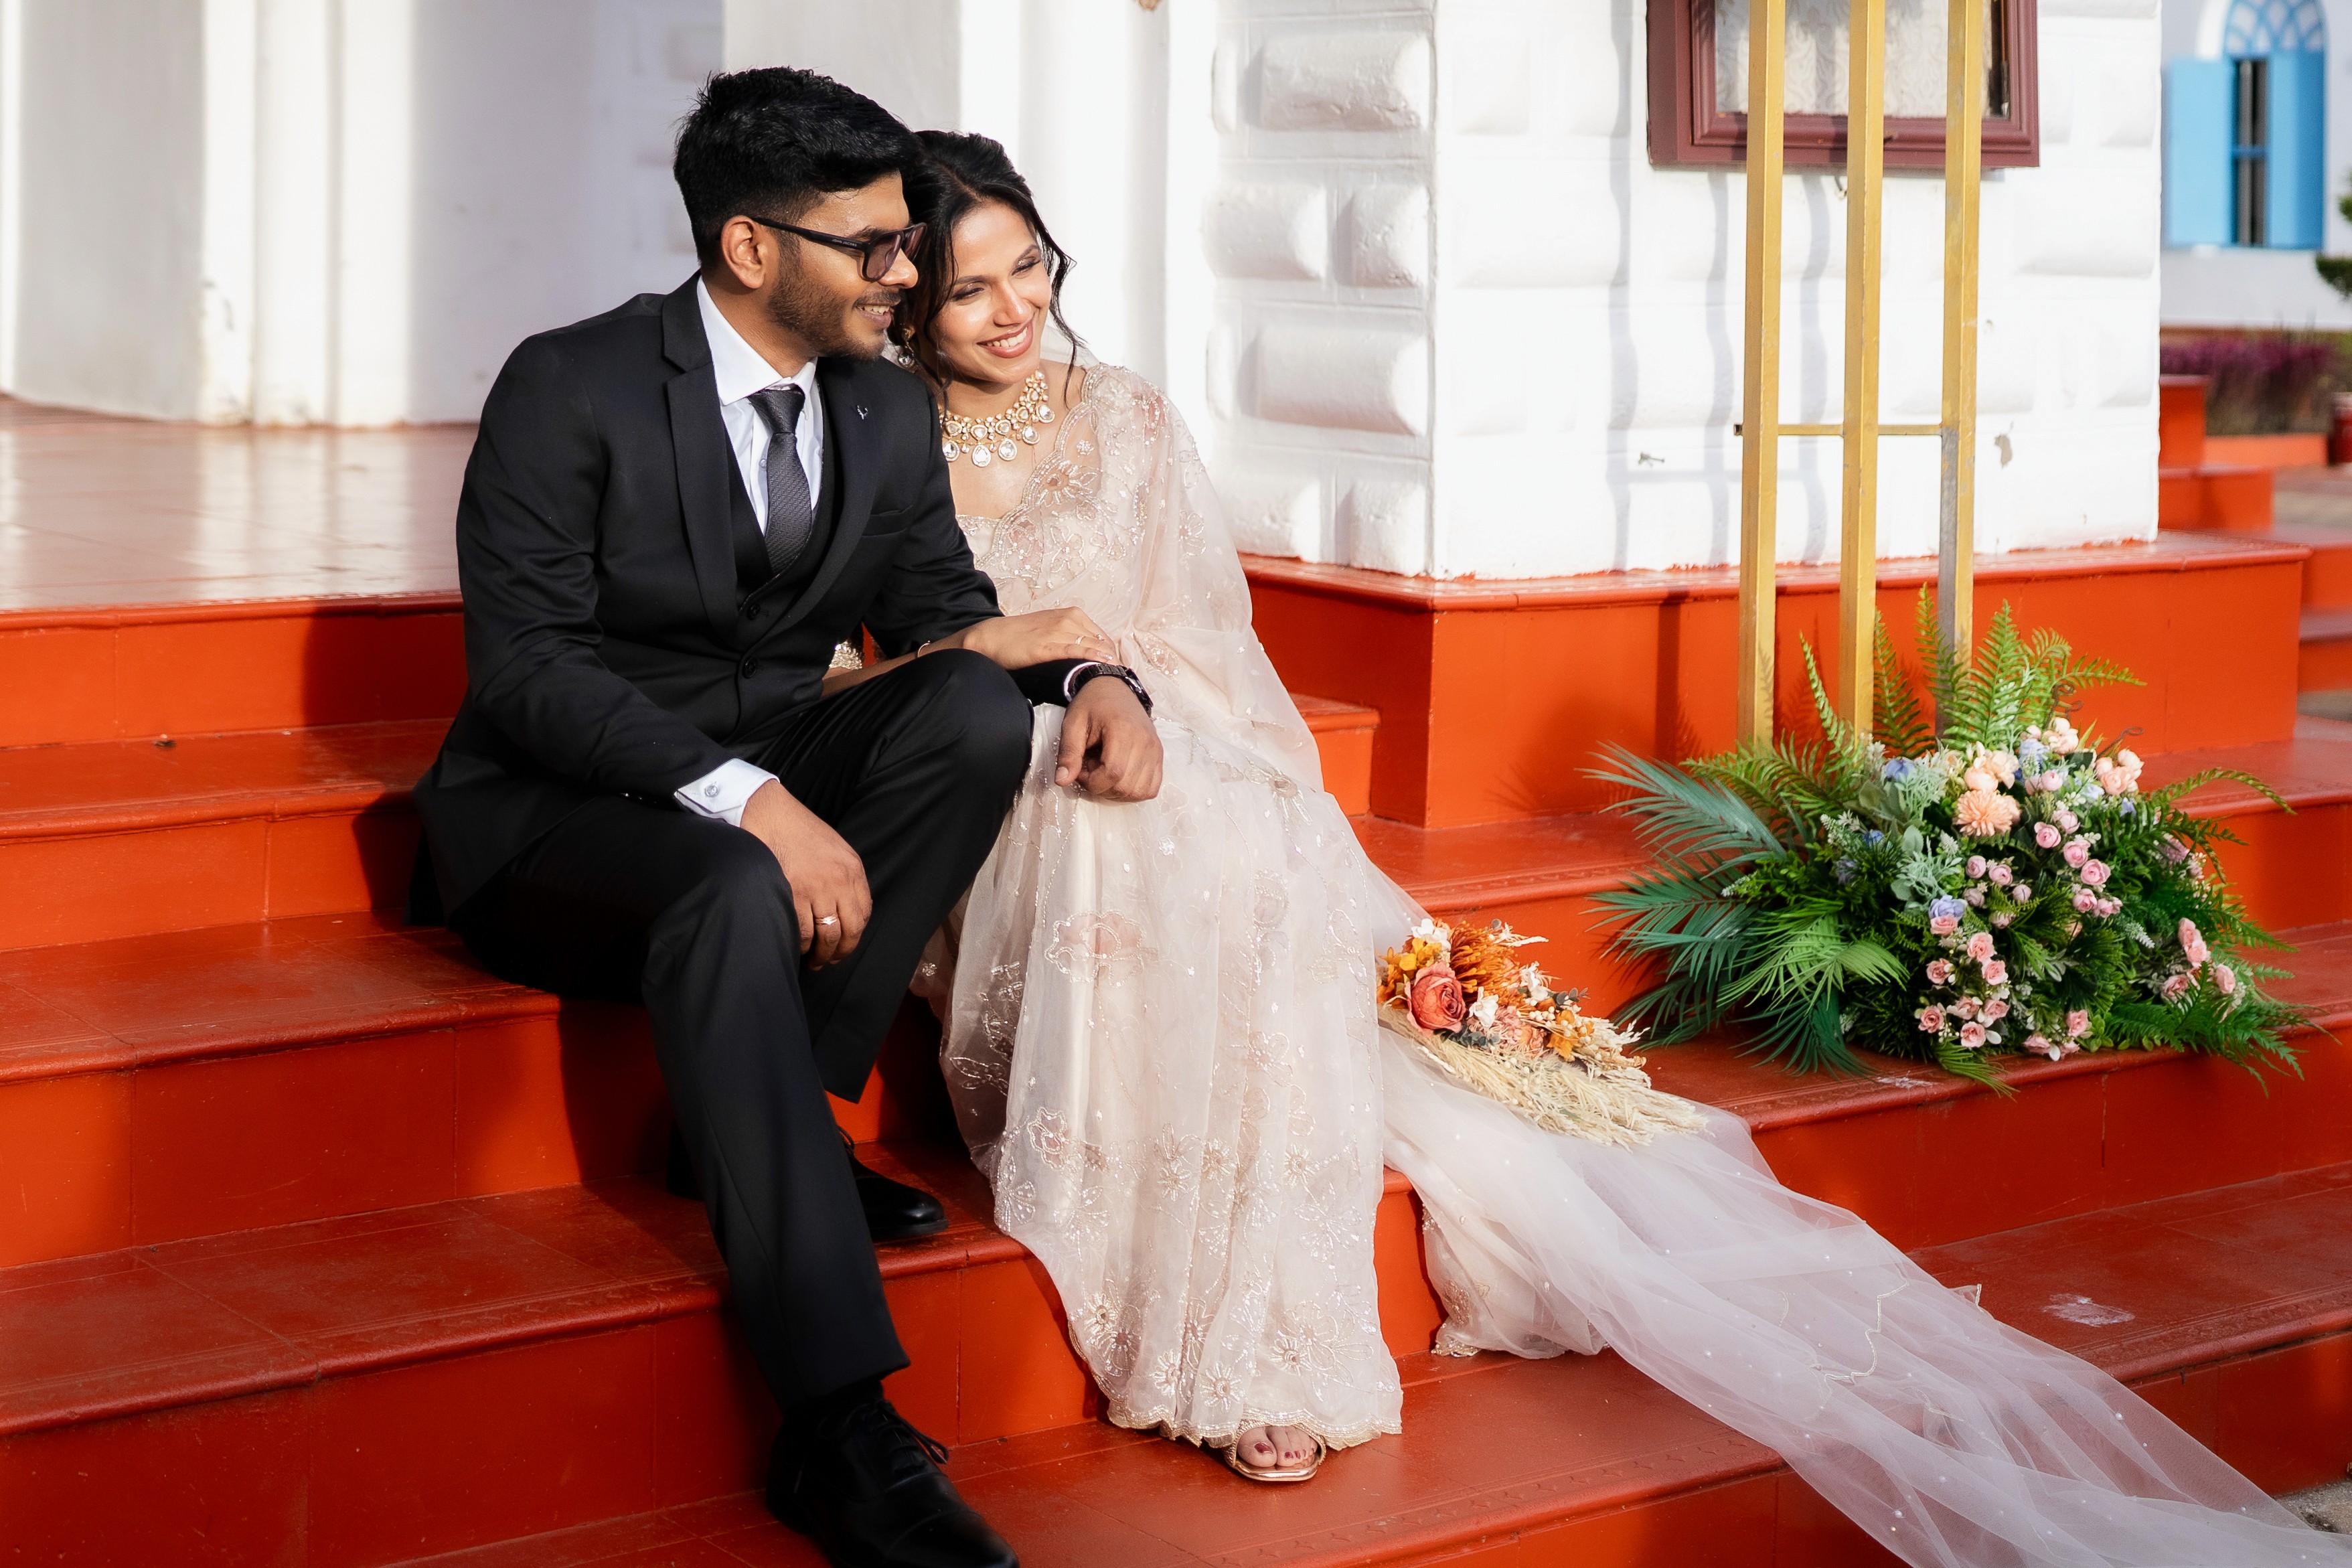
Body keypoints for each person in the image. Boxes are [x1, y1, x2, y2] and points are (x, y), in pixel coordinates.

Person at [880, 129, 2352, 1564]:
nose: (1019, 309)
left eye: (1033, 267)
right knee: (1107, 825)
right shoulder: (873, 432)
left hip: (1166, 736)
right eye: (972, 288)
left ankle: (1271, 1337)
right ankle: (1169, 1265)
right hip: (988, 767)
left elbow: (1206, 634)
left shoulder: (1124, 410)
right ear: (906, 300)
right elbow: (845, 647)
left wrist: (1177, 736)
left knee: (1215, 835)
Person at [409, 70, 1162, 1568]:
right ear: (752, 249)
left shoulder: (879, 405)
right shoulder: (571, 384)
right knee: (728, 888)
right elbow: (530, 673)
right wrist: (753, 801)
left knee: (962, 714)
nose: (909, 274)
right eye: (876, 248)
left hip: (761, 765)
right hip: (560, 814)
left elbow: (944, 619)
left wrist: (1093, 674)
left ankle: (756, 1125)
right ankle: (836, 1424)